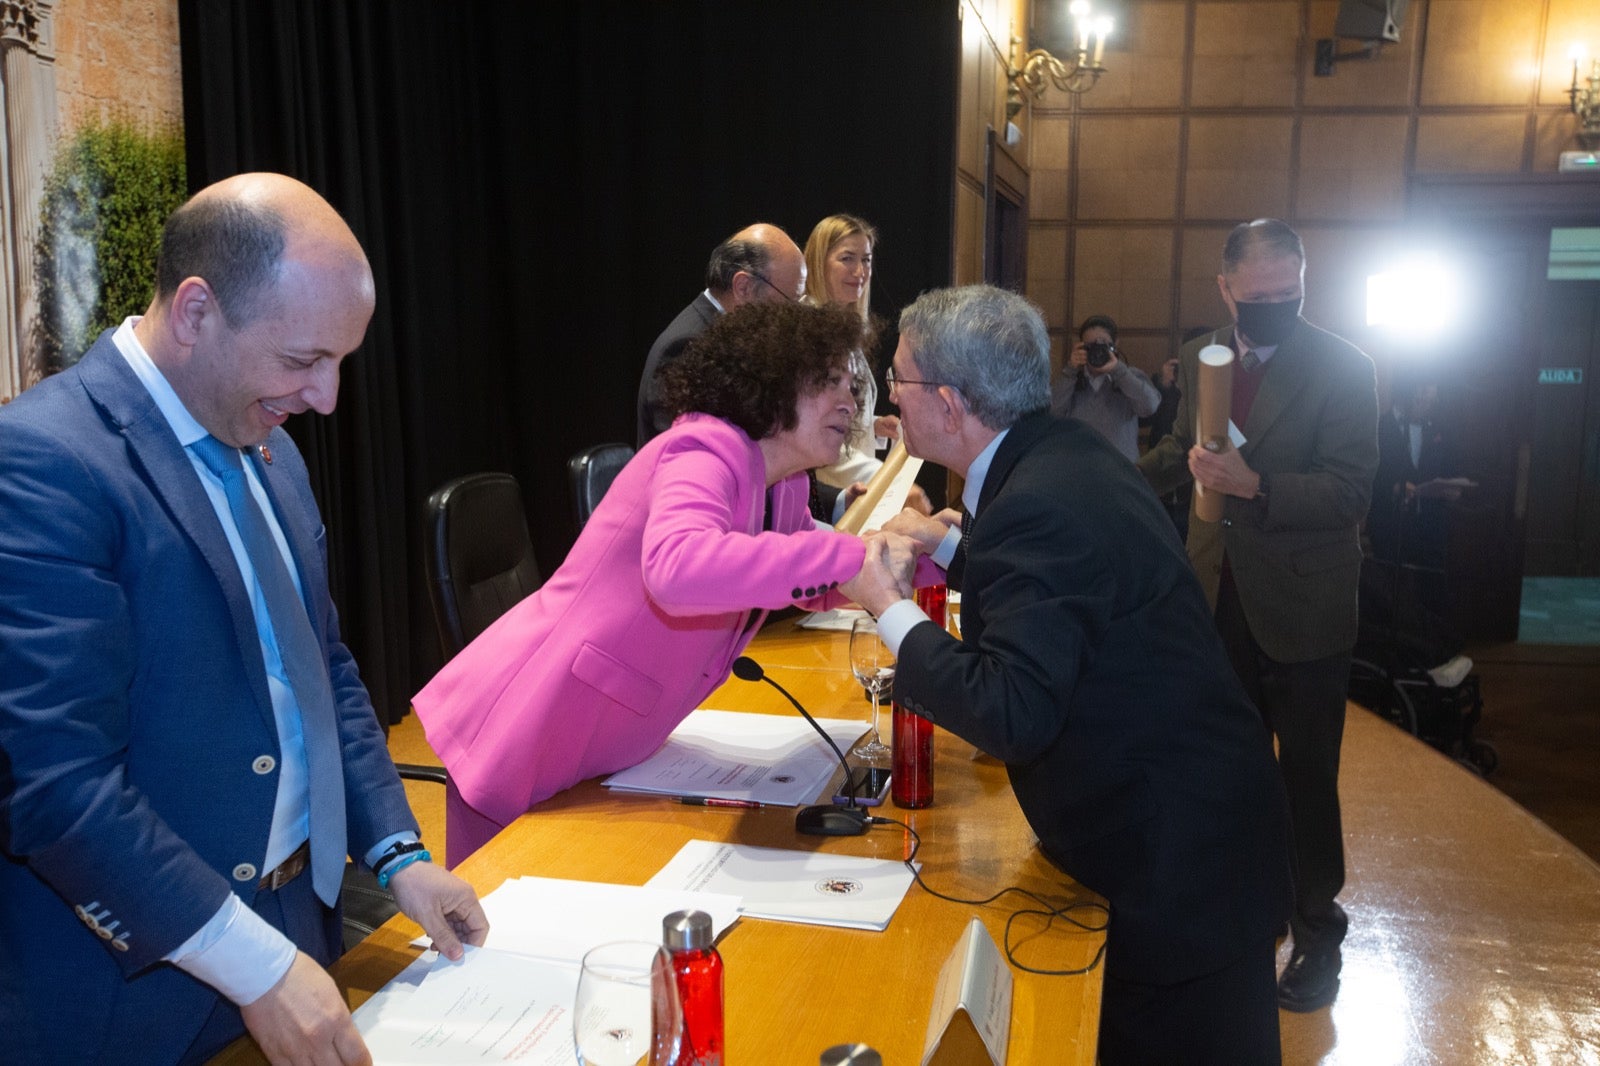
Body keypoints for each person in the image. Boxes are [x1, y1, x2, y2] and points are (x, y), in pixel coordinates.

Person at [0, 173, 488, 1064]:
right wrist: (254, 964)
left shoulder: (269, 446)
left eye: (341, 361)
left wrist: (397, 853)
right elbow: (55, 784)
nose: (328, 397)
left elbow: (319, 666)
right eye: (304, 361)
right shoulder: (43, 460)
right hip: (138, 993)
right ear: (195, 311)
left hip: (299, 931)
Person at [849, 285, 1293, 1064]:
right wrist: (950, 549)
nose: (892, 401)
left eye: (899, 382)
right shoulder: (1064, 452)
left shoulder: (1039, 499)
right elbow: (1064, 585)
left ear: (950, 405)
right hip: (1199, 830)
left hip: (1179, 863)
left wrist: (888, 607)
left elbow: (1013, 710)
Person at [415, 301, 909, 866]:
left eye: (852, 387)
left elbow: (807, 577)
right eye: (831, 383)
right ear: (775, 383)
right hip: (537, 725)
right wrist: (847, 557)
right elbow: (678, 565)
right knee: (494, 930)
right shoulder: (703, 449)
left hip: (614, 741)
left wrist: (902, 557)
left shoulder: (785, 484)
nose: (851, 404)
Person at [1138, 219, 1379, 1013]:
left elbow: (1348, 492)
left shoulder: (1346, 367)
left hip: (1305, 606)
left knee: (1307, 780)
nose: (1277, 306)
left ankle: (1318, 935)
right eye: (1261, 295)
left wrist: (1256, 487)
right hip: (1216, 596)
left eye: (1291, 294)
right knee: (1225, 771)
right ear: (1227, 288)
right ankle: (1245, 911)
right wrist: (1112, 483)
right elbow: (1182, 453)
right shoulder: (1210, 352)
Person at [635, 222, 806, 448]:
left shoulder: (732, 336)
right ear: (744, 287)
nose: (794, 317)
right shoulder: (686, 346)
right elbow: (688, 453)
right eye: (790, 302)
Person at [1050, 313, 1161, 462]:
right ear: (1081, 347)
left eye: (1103, 346)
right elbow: (1051, 414)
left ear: (1115, 345)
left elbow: (1150, 407)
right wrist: (1070, 371)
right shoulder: (1071, 380)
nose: (1097, 351)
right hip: (1079, 470)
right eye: (1090, 346)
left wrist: (1118, 371)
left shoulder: (1130, 376)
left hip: (1121, 472)